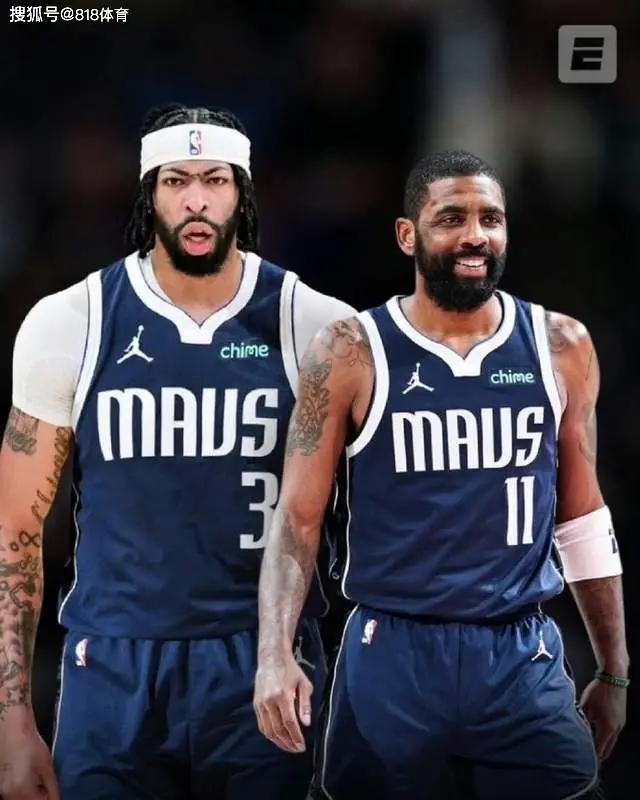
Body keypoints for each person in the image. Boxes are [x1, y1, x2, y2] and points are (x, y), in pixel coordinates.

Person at [0, 103, 355, 800]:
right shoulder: (71, 321)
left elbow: (379, 509)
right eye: (175, 180)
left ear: (242, 193)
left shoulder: (315, 324)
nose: (196, 199)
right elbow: (15, 527)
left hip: (264, 657)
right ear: (149, 194)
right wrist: (12, 716)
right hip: (113, 662)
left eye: (215, 180)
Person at [253, 151, 629, 800]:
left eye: (490, 219)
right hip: (392, 650)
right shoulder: (349, 350)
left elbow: (583, 517)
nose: (474, 235)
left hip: (520, 653)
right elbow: (297, 518)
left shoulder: (561, 345)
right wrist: (274, 654)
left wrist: (614, 667)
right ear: (408, 235)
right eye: (452, 218)